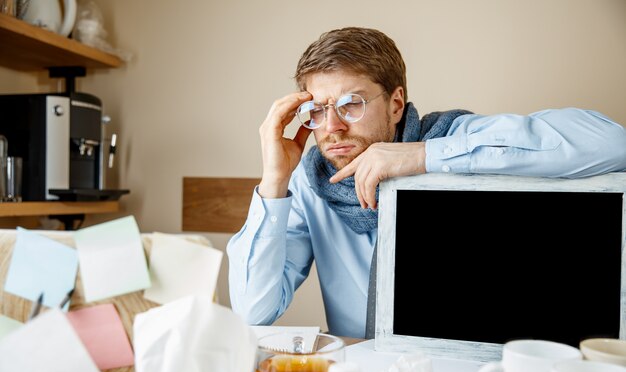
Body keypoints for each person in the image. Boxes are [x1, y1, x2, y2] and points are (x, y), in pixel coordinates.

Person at [227, 27, 626, 339]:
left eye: (352, 103)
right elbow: (253, 311)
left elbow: (613, 144)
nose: (331, 127)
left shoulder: (453, 141)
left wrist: (424, 158)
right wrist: (274, 182)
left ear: (396, 103)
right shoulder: (311, 182)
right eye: (317, 110)